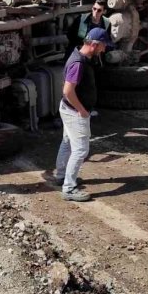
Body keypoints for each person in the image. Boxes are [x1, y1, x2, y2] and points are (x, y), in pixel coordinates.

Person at [45, 28, 111, 202]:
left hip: (68, 109)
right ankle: (69, 187)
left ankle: (61, 176)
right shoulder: (79, 63)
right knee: (81, 150)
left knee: (67, 143)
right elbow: (68, 91)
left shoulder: (82, 57)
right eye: (103, 46)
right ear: (94, 45)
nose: (104, 50)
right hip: (75, 112)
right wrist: (81, 110)